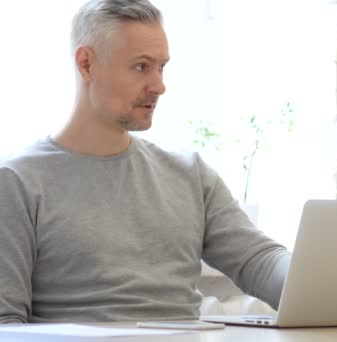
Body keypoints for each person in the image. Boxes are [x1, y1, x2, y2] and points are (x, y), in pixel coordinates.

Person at [0, 0, 291, 324]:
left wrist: (322, 278)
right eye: (141, 67)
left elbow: (259, 261)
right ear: (86, 64)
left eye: (161, 67)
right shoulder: (16, 181)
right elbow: (5, 322)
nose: (159, 86)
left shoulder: (189, 175)